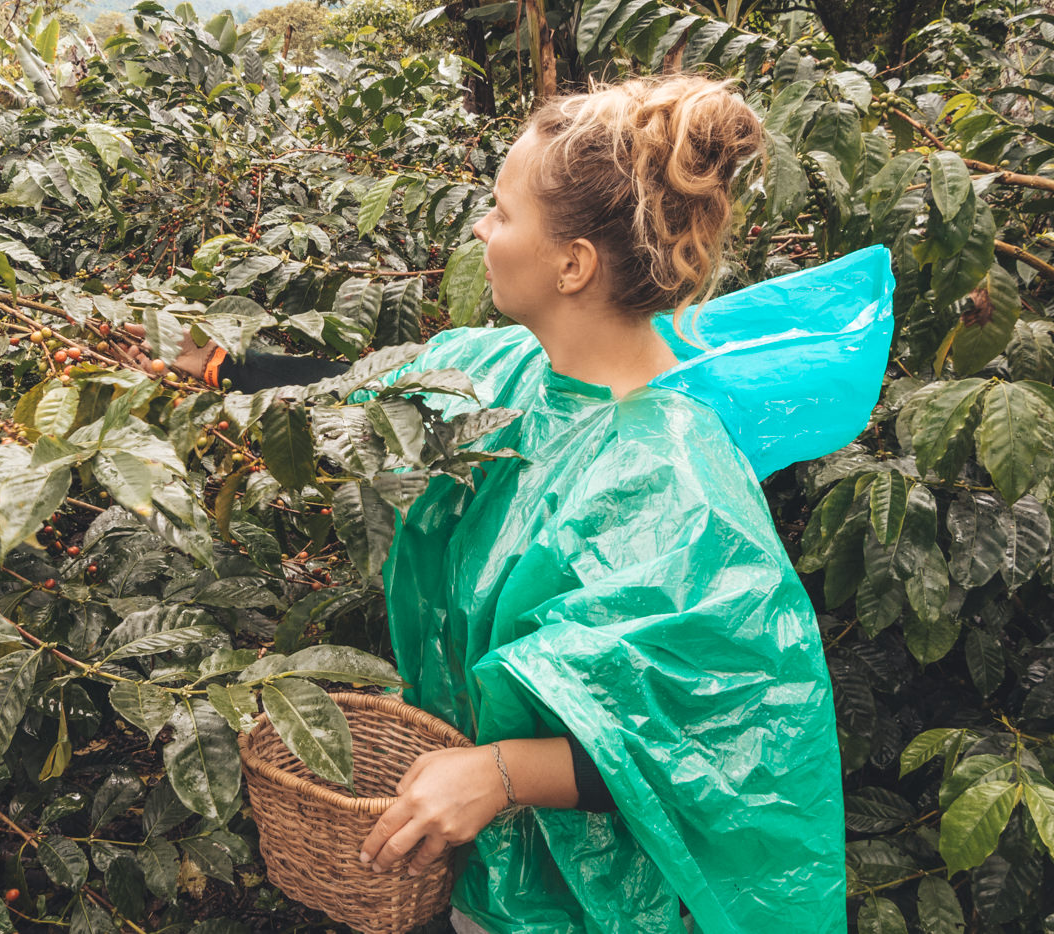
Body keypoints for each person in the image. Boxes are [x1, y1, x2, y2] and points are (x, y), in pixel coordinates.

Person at [134, 73, 893, 933]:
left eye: (500, 212)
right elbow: (364, 387)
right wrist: (218, 374)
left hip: (595, 905)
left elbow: (719, 741)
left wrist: (499, 775)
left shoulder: (668, 482)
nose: (481, 228)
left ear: (572, 263)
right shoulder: (507, 374)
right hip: (485, 879)